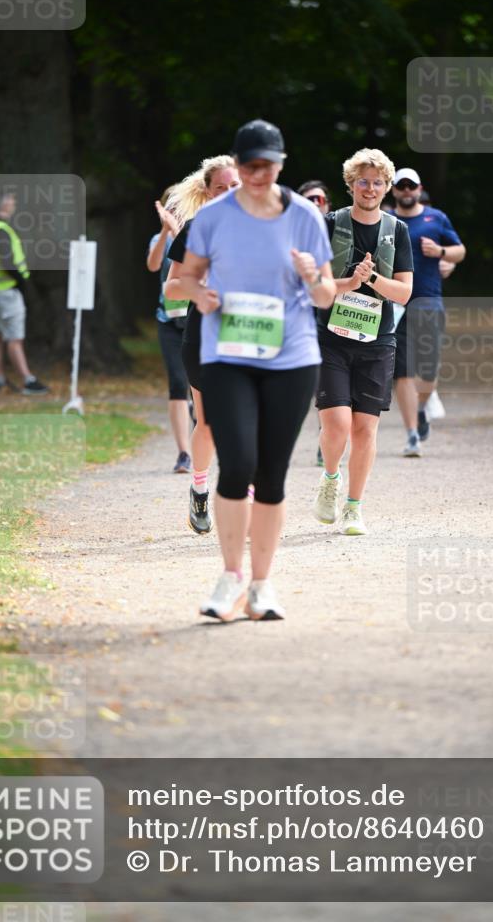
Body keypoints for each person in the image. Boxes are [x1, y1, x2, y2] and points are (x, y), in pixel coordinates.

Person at [178, 119, 336, 621]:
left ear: (281, 163)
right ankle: (230, 579)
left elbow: (327, 294)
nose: (258, 174)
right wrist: (199, 294)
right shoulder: (214, 218)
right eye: (249, 166)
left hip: (291, 358)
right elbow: (180, 281)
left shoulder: (305, 217)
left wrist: (314, 277)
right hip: (227, 356)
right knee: (238, 463)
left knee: (271, 473)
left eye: (267, 165)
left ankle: (263, 587)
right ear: (238, 164)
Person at [313, 148, 413, 535]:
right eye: (362, 181)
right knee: (337, 424)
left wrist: (371, 281)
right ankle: (330, 478)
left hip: (377, 340)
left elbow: (404, 292)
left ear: (387, 187)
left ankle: (354, 507)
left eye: (377, 182)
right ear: (350, 184)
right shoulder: (329, 224)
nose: (369, 188)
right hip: (331, 339)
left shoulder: (396, 231)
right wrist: (349, 283)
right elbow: (316, 290)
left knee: (364, 430)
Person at [161, 155, 240, 532]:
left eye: (234, 187)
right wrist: (202, 288)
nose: (227, 194)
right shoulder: (194, 230)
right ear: (208, 192)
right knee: (208, 422)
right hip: (206, 334)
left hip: (250, 335)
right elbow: (172, 286)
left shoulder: (264, 228)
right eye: (220, 188)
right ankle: (200, 489)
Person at [390, 168, 466, 456]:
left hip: (429, 302)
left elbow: (460, 250)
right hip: (396, 305)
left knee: (429, 371)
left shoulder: (436, 218)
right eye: (401, 186)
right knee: (403, 370)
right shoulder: (387, 220)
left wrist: (442, 254)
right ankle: (411, 435)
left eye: (412, 186)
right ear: (394, 190)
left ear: (419, 189)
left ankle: (423, 407)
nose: (407, 191)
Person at [0, 193, 48, 395]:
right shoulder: (1, 230)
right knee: (14, 338)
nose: (14, 204)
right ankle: (27, 379)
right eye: (11, 201)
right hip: (6, 291)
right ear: (4, 205)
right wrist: (21, 282)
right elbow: (6, 260)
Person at [147, 187, 192, 474]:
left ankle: (202, 437)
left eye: (179, 206)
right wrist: (165, 232)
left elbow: (189, 261)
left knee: (198, 385)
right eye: (170, 207)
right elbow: (153, 265)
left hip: (196, 318)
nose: (174, 211)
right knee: (177, 383)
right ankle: (183, 453)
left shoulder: (195, 236)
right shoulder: (158, 239)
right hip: (168, 320)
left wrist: (177, 231)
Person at [298, 180, 332, 465]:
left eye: (320, 199)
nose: (316, 204)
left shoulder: (338, 233)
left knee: (325, 380)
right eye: (309, 199)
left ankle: (326, 439)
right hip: (298, 315)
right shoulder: (290, 233)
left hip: (330, 315)